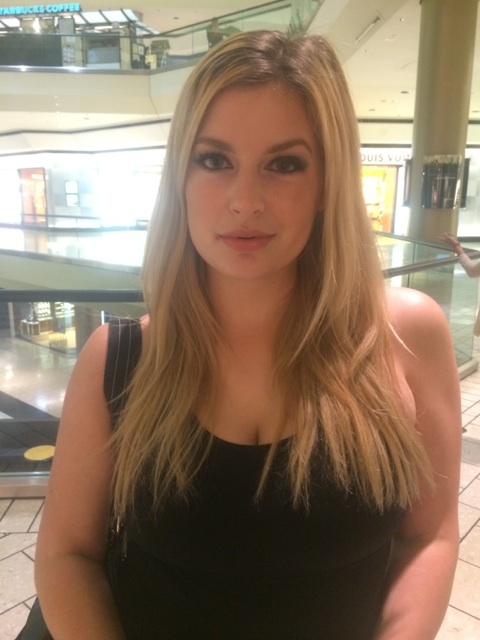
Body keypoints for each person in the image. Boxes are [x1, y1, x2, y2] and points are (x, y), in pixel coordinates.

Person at [35, 30, 461, 639]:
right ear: (180, 178)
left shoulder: (407, 335)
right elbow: (67, 555)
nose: (244, 201)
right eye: (214, 160)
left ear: (328, 183)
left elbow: (430, 536)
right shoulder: (122, 359)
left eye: (284, 164)